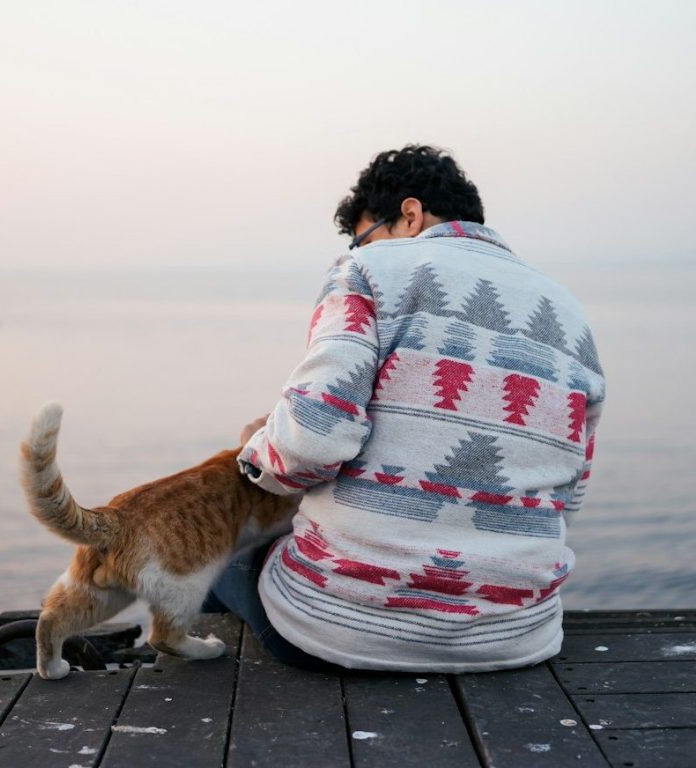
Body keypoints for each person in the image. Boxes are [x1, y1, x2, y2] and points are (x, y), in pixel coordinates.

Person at [204, 144, 605, 673]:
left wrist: (258, 447)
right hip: (514, 636)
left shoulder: (369, 270)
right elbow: (569, 496)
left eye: (364, 233)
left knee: (212, 552)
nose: (359, 246)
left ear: (410, 215)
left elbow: (312, 441)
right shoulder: (570, 314)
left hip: (346, 627)